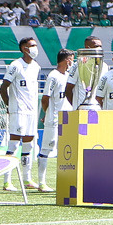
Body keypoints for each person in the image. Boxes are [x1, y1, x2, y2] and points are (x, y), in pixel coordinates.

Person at [0, 36, 41, 191]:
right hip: (18, 110)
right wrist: (10, 106)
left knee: (29, 144)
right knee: (13, 144)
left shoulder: (36, 66)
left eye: (35, 45)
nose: (35, 48)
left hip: (31, 111)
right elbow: (3, 88)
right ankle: (7, 181)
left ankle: (27, 179)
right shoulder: (15, 65)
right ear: (24, 48)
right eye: (32, 45)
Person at [38, 48, 74, 185]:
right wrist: (47, 114)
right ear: (67, 60)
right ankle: (41, 182)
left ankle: (64, 182)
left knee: (65, 150)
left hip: (67, 118)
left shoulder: (68, 76)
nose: (73, 61)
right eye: (72, 58)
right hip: (54, 118)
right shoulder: (53, 76)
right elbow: (45, 98)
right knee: (46, 148)